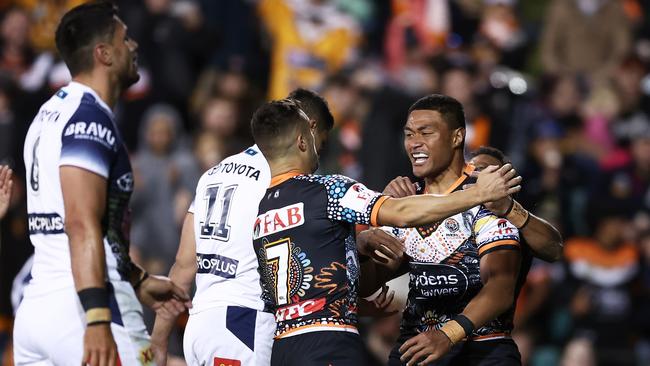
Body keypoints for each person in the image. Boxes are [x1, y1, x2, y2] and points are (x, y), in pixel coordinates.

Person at [251, 98, 521, 365]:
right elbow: (402, 214)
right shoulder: (328, 190)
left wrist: (361, 247)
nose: (318, 144)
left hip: (284, 345)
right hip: (329, 342)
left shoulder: (261, 213)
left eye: (424, 132)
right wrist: (479, 193)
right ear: (301, 141)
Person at [14, 3, 191, 365]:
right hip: (88, 308)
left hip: (37, 308)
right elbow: (80, 223)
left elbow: (79, 223)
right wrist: (96, 319)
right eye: (125, 39)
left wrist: (139, 279)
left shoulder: (48, 115)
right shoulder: (89, 119)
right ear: (104, 53)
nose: (135, 45)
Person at [150, 88, 336, 366]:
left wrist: (158, 341)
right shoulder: (283, 182)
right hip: (244, 323)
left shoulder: (213, 173)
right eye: (319, 145)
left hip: (200, 325)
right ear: (307, 131)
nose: (316, 158)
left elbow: (183, 265)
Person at [358, 95, 537, 366]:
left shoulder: (488, 197)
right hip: (417, 348)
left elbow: (501, 288)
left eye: (426, 132)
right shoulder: (403, 203)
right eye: (409, 134)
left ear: (456, 138)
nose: (414, 143)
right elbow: (369, 285)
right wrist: (362, 248)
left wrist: (448, 334)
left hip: (482, 350)